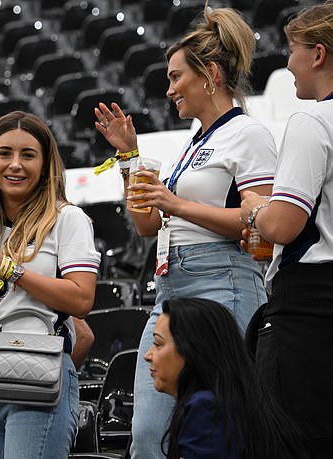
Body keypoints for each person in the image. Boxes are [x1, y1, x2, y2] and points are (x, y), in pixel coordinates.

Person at [94, 6, 275, 457]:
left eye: (177, 77)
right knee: (149, 436)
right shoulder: (191, 145)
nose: (169, 88)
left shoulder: (248, 134)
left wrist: (176, 203)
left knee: (218, 427)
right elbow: (146, 224)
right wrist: (129, 160)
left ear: (210, 74)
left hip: (224, 285)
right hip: (171, 293)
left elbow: (264, 224)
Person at [0, 111, 100, 459]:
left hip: (43, 375)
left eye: (28, 154)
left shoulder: (66, 218)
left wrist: (6, 268)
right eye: (5, 153)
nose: (15, 165)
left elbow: (82, 299)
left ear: (45, 164)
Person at [240, 3, 333, 456]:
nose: (287, 64)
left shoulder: (312, 120)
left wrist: (256, 207)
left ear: (318, 54)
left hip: (310, 315)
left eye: (291, 50)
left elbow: (284, 223)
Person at [145, 297, 307, 458]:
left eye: (158, 344)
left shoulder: (206, 409)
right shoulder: (229, 401)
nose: (147, 355)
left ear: (193, 350)